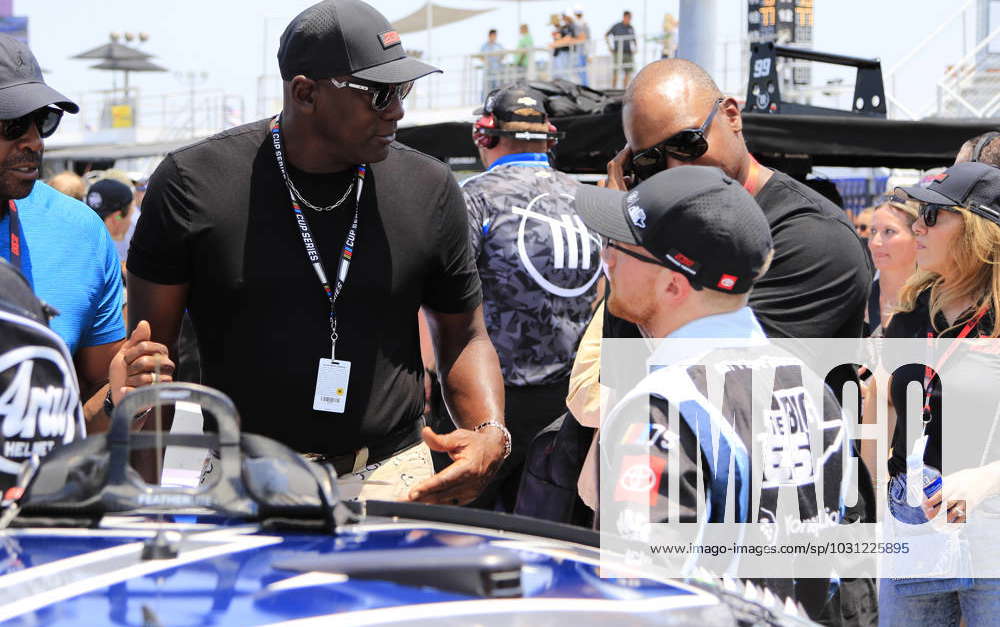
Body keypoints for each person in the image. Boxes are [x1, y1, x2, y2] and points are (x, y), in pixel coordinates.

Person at [127, 0, 509, 504]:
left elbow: (464, 334)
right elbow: (153, 361)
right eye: (378, 93)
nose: (397, 108)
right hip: (237, 483)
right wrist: (149, 499)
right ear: (305, 92)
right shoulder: (192, 183)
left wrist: (490, 433)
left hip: (390, 475)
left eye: (403, 89)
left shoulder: (429, 186)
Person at [575, 166, 865, 622]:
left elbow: (642, 592)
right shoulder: (813, 388)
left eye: (618, 247)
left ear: (674, 282)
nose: (606, 259)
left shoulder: (662, 409)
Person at [0, 35, 170, 437]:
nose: (34, 141)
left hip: (43, 497)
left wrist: (120, 394)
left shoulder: (79, 231)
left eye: (42, 121)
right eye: (12, 125)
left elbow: (83, 419)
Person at [461, 85, 598, 511]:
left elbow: (443, 297)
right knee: (551, 533)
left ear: (484, 136)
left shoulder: (474, 197)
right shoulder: (591, 199)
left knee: (462, 527)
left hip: (488, 400)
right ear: (548, 137)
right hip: (570, 404)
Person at [879, 160, 1000, 626]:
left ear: (977, 231)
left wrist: (986, 479)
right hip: (914, 532)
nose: (917, 225)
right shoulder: (914, 311)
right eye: (917, 212)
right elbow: (894, 406)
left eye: (932, 214)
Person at [865, 198, 919, 335]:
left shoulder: (935, 304)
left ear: (917, 238)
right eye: (872, 231)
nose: (875, 243)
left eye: (889, 231)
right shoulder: (856, 298)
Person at [85, 178, 135, 265]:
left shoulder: (75, 248)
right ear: (117, 217)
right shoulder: (114, 266)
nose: (130, 222)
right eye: (130, 215)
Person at [605, 11, 636, 88]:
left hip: (628, 53)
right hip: (618, 52)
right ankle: (613, 89)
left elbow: (634, 40)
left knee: (627, 72)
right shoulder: (616, 26)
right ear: (624, 17)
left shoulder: (631, 28)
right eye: (628, 17)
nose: (629, 19)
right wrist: (609, 47)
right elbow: (606, 35)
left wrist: (635, 48)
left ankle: (625, 89)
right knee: (616, 72)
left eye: (630, 18)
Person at [480, 29, 504, 97]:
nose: (494, 37)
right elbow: (480, 56)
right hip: (488, 70)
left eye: (495, 35)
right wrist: (486, 61)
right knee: (486, 87)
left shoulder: (499, 46)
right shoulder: (484, 46)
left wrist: (499, 59)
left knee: (496, 87)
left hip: (496, 69)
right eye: (493, 35)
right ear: (490, 35)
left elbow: (503, 55)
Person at [572, 6, 590, 86]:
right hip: (579, 50)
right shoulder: (577, 24)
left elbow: (584, 37)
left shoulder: (583, 25)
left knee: (583, 70)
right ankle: (583, 85)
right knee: (579, 70)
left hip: (583, 51)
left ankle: (584, 86)